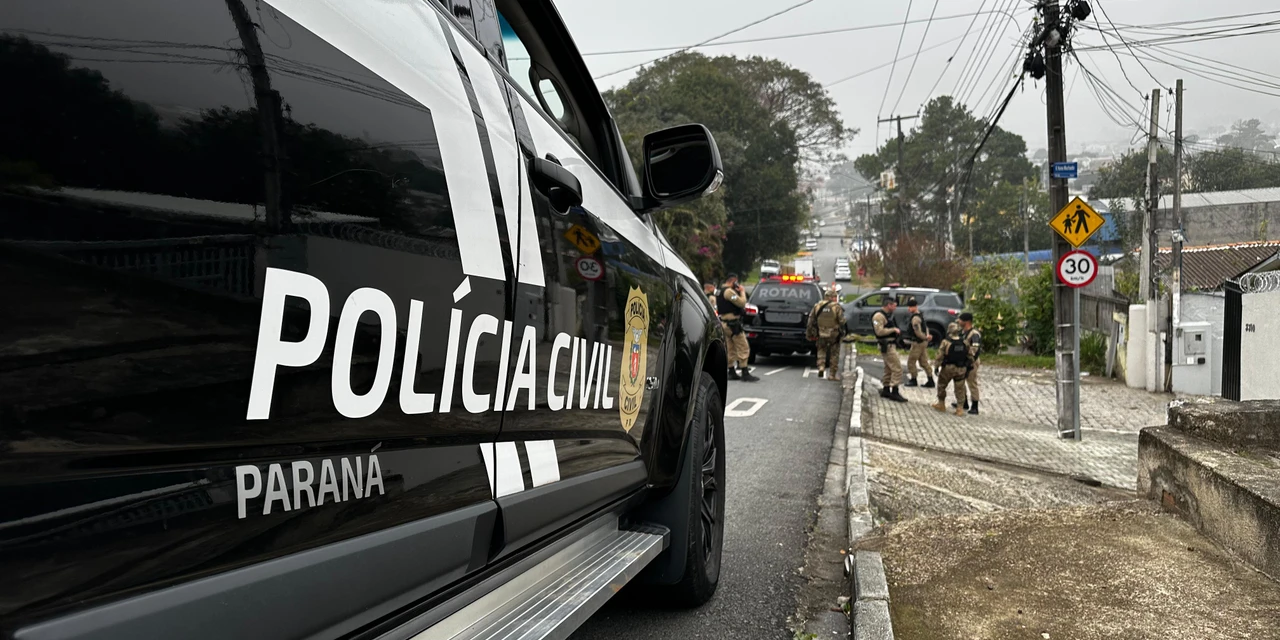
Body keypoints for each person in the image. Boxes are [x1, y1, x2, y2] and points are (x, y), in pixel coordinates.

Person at [717, 273, 759, 382]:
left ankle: (731, 371)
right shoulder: (729, 292)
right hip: (732, 323)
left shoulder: (720, 291)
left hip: (725, 323)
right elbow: (741, 303)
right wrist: (742, 291)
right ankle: (745, 372)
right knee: (743, 346)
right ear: (733, 281)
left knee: (730, 347)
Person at [872, 297, 907, 402]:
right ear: (889, 305)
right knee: (897, 368)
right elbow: (879, 332)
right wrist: (893, 330)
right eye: (894, 305)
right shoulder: (879, 316)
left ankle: (886, 389)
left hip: (891, 344)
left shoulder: (888, 316)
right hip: (886, 345)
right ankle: (894, 391)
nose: (895, 308)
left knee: (888, 368)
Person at [807, 287, 845, 381]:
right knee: (834, 354)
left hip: (821, 333)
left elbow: (810, 321)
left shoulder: (817, 306)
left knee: (821, 350)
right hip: (834, 335)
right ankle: (832, 375)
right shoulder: (836, 307)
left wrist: (809, 333)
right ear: (832, 297)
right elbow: (842, 321)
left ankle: (821, 366)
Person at [931, 324, 970, 417]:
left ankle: (941, 404)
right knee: (960, 388)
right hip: (961, 368)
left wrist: (936, 366)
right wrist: (968, 365)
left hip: (948, 368)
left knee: (941, 385)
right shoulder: (965, 342)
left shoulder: (946, 342)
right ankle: (960, 408)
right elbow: (969, 354)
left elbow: (940, 355)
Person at [902, 298, 935, 388]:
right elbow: (926, 327)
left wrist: (925, 337)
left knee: (911, 362)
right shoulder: (920, 315)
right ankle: (930, 379)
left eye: (910, 307)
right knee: (924, 362)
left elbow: (917, 331)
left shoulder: (915, 318)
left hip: (918, 343)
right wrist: (927, 336)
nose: (908, 308)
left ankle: (913, 379)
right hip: (923, 342)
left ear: (915, 307)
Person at [959, 312, 982, 415]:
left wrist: (969, 360)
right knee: (960, 381)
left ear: (966, 321)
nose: (959, 322)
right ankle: (964, 402)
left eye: (960, 320)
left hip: (972, 361)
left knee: (972, 382)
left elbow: (975, 349)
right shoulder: (964, 332)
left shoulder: (974, 334)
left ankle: (975, 405)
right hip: (964, 361)